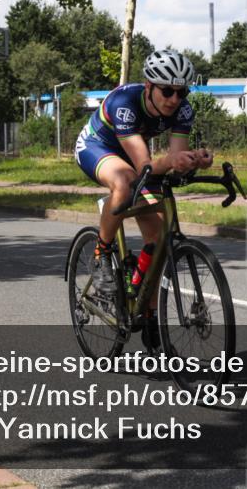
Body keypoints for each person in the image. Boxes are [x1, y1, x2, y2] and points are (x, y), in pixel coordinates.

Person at [75, 50, 213, 351]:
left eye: (181, 91)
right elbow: (144, 166)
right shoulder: (125, 103)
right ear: (149, 86)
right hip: (98, 147)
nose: (175, 99)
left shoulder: (182, 110)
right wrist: (172, 161)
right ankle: (101, 255)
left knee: (159, 235)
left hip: (134, 154)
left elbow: (175, 159)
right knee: (123, 182)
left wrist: (193, 161)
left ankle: (149, 314)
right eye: (167, 91)